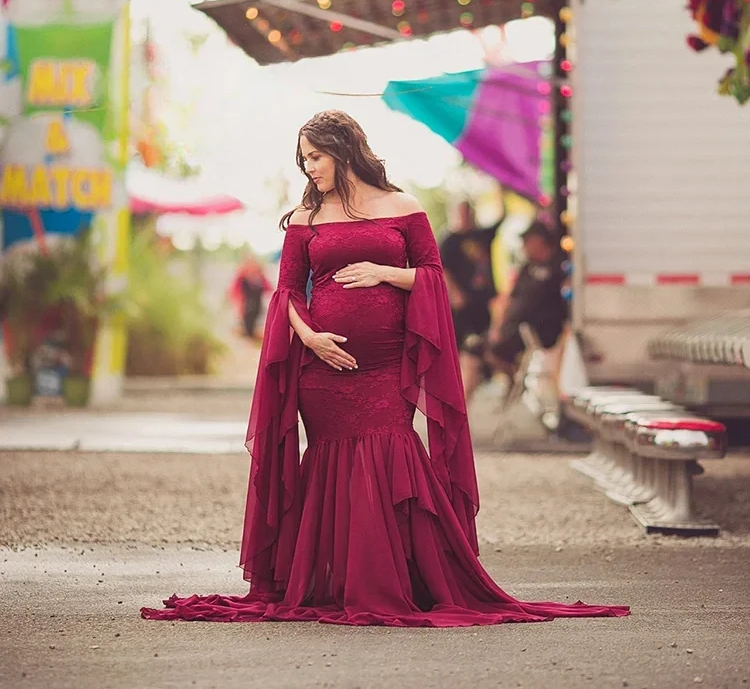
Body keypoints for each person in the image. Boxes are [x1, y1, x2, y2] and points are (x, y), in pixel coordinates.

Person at [141, 111, 628, 626]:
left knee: (390, 451)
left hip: (387, 367)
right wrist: (310, 338)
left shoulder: (404, 207)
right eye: (303, 159)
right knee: (332, 462)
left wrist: (384, 272)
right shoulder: (305, 219)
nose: (309, 169)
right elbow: (286, 292)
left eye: (315, 157)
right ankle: (333, 582)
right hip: (321, 370)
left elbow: (433, 277)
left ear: (344, 150)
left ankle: (395, 582)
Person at [489, 220, 569, 378]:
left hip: (542, 332)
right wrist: (497, 326)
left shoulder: (558, 266)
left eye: (527, 241)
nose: (523, 246)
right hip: (516, 329)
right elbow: (509, 298)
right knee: (484, 349)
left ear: (539, 241)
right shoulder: (526, 267)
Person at [440, 202, 502, 401]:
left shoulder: (481, 235)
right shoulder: (449, 240)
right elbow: (443, 269)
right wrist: (455, 293)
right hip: (461, 308)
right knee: (467, 353)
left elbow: (501, 218)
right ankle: (460, 398)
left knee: (479, 350)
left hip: (481, 304)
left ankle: (465, 393)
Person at [229, 256, 272, 338]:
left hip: (257, 311)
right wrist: (238, 306)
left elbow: (269, 289)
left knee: (255, 330)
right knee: (245, 329)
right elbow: (234, 292)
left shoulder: (261, 279)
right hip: (245, 309)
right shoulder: (241, 279)